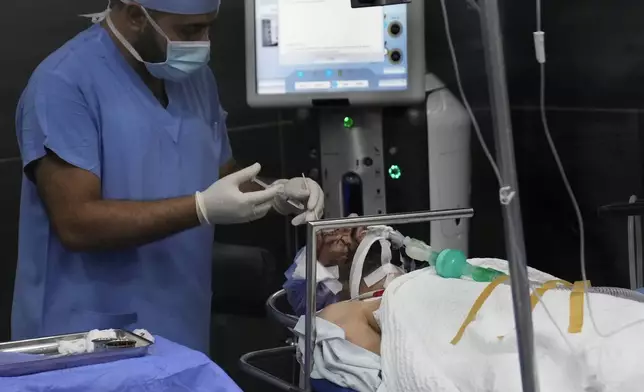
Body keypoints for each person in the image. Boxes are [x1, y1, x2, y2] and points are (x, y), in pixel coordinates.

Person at [12, 0, 324, 354]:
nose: (203, 42)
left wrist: (277, 192)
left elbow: (223, 177)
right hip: (84, 339)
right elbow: (76, 222)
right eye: (190, 30)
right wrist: (200, 208)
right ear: (134, 15)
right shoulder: (63, 85)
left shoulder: (195, 79)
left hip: (180, 326)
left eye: (209, 27)